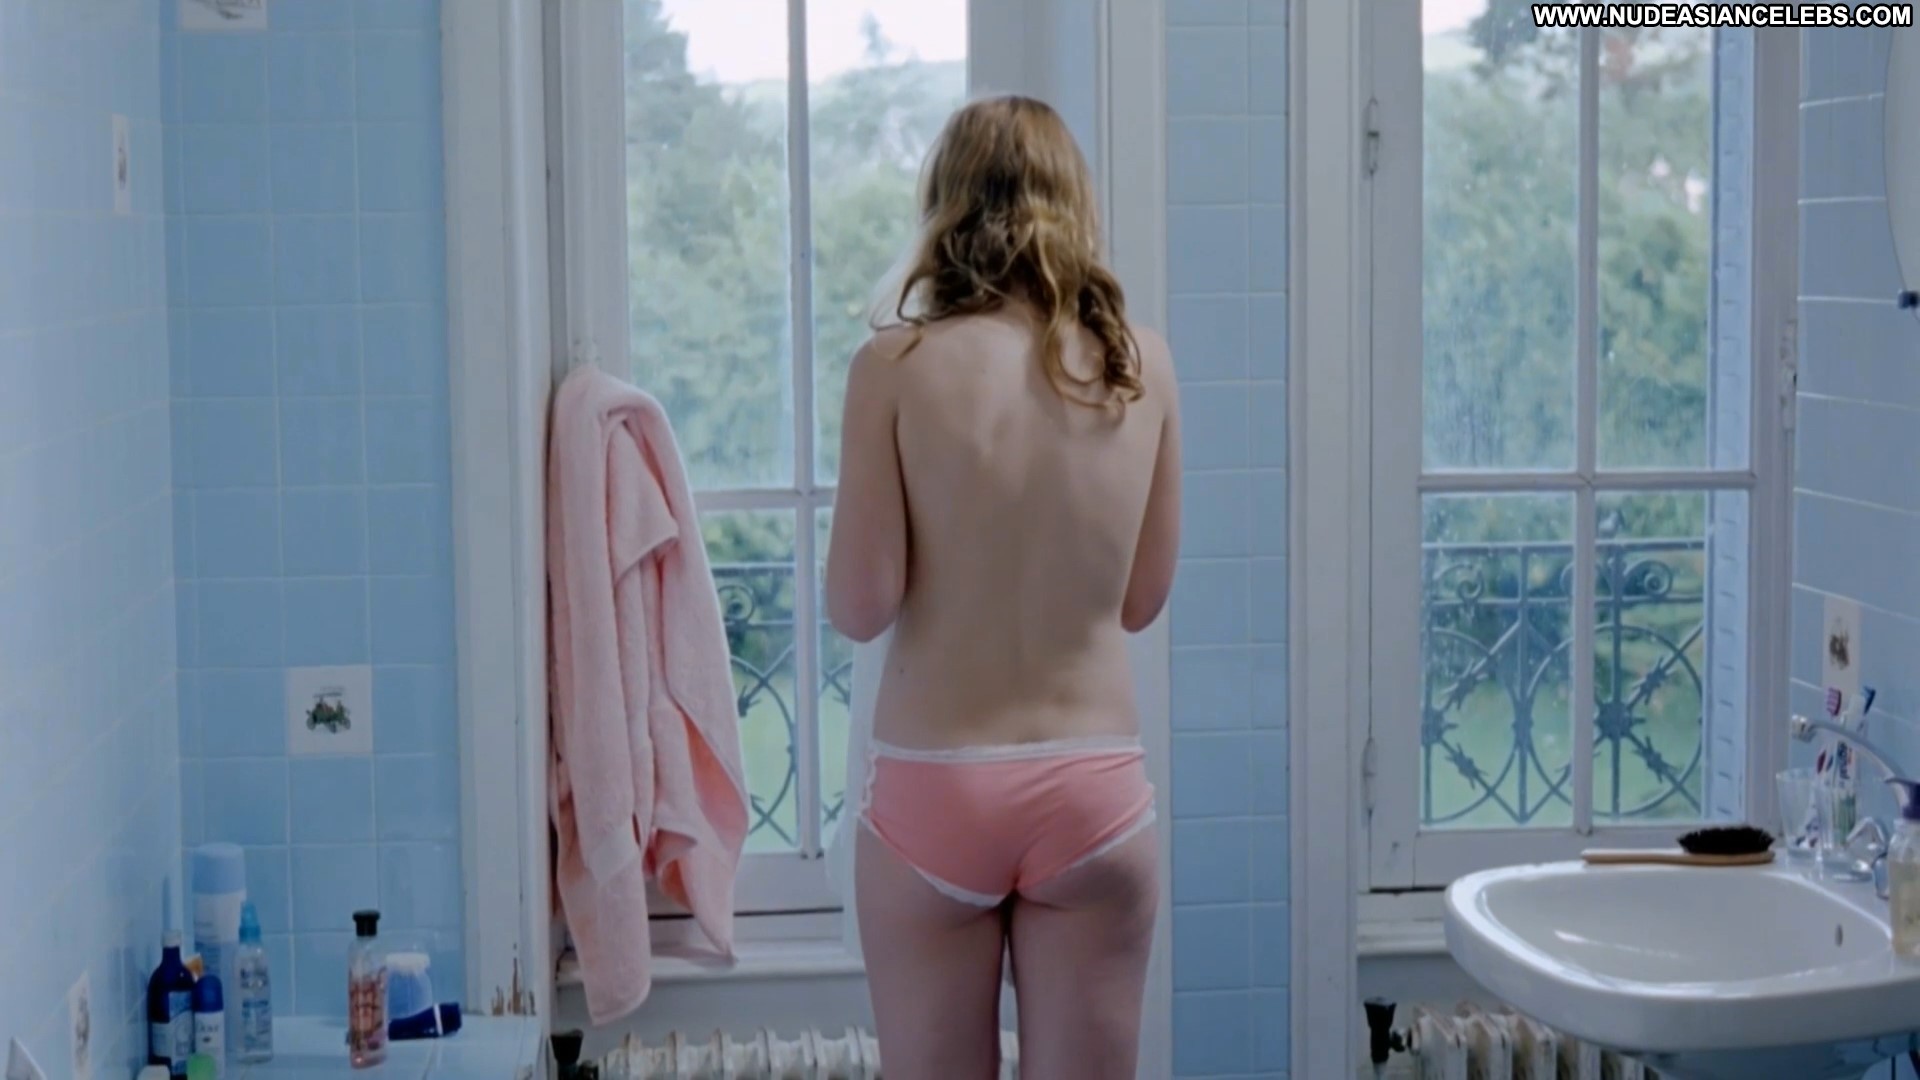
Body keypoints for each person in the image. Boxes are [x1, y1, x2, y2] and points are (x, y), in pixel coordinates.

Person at [824, 94, 1182, 1080]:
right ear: (1074, 205)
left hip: (937, 788)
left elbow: (860, 606)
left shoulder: (892, 365)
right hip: (1093, 792)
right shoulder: (1141, 365)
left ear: (946, 207)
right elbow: (1141, 600)